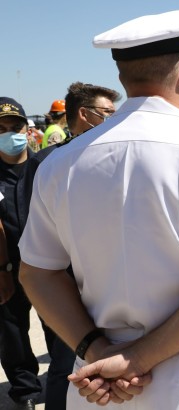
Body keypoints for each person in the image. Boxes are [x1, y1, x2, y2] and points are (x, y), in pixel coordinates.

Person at [18, 10, 179, 409]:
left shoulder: (61, 163)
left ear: (122, 78)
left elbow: (37, 272)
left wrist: (97, 350)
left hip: (97, 384)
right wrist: (133, 359)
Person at [13, 82, 122, 410]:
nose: (114, 120)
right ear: (85, 114)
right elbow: (34, 225)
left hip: (109, 278)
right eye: (107, 113)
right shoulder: (48, 161)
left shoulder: (117, 154)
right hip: (65, 280)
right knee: (66, 363)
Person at [0, 97, 40, 410]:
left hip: (48, 269)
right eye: (1, 129)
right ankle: (25, 390)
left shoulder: (46, 169)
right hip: (6, 270)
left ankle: (61, 382)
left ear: (26, 129)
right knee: (12, 335)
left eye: (15, 127)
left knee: (59, 330)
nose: (10, 134)